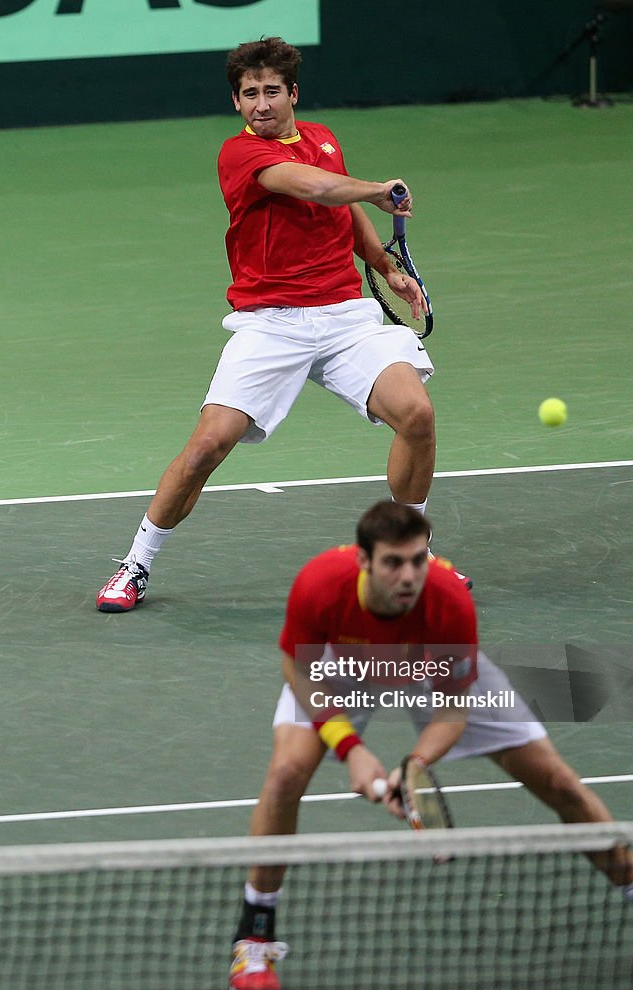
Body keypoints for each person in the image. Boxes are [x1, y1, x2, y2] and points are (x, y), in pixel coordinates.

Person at [229, 501, 633, 990]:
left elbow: (453, 707)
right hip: (339, 667)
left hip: (428, 666)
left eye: (418, 559)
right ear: (365, 561)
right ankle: (254, 937)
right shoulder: (320, 584)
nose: (410, 574)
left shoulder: (449, 600)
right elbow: (299, 672)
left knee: (560, 783)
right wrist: (349, 749)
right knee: (285, 775)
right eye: (394, 562)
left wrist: (415, 766)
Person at [96, 36, 444, 613]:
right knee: (206, 448)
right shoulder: (239, 155)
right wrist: (377, 189)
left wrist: (383, 265)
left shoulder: (323, 138)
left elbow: (342, 203)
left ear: (293, 94)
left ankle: (409, 556)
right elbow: (315, 186)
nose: (262, 104)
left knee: (418, 415)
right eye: (250, 94)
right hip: (269, 324)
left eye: (272, 92)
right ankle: (137, 563)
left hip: (344, 317)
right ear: (237, 102)